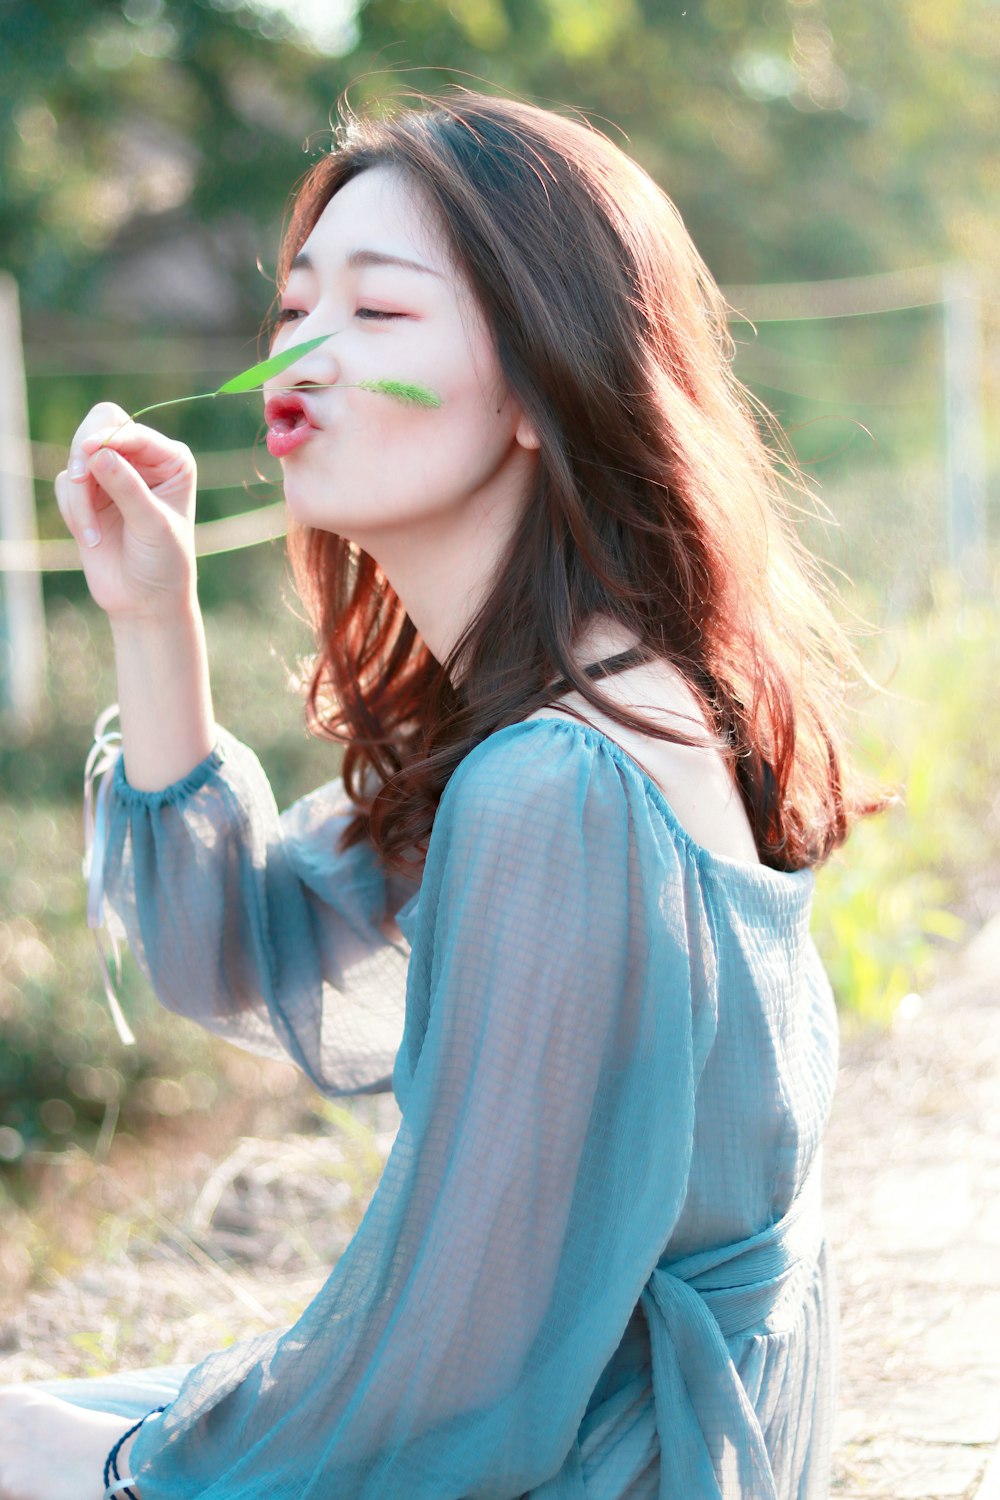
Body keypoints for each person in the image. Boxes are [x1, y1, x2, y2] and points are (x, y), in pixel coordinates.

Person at [1, 88, 889, 1500]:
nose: (305, 355)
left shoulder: (561, 780)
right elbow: (229, 953)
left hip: (612, 1456)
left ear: (543, 385)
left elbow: (455, 1381)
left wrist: (124, 1471)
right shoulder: (577, 695)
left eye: (382, 315)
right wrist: (156, 617)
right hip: (635, 1421)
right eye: (295, 312)